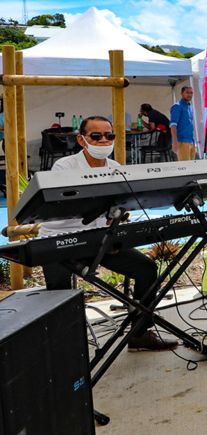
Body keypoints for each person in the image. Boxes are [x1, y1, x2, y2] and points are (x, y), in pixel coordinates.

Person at [38, 116, 178, 351]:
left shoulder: (116, 169)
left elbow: (119, 208)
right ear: (82, 140)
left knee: (146, 268)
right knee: (59, 295)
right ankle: (63, 352)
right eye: (96, 136)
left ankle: (140, 334)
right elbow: (76, 208)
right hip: (61, 242)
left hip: (100, 239)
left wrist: (118, 217)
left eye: (109, 136)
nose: (103, 140)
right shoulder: (65, 166)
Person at [170, 86, 196, 160]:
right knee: (185, 167)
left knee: (192, 167)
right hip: (181, 140)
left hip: (191, 140)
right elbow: (173, 125)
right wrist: (175, 142)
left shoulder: (190, 106)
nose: (189, 94)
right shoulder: (177, 106)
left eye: (191, 93)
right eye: (187, 92)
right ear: (182, 93)